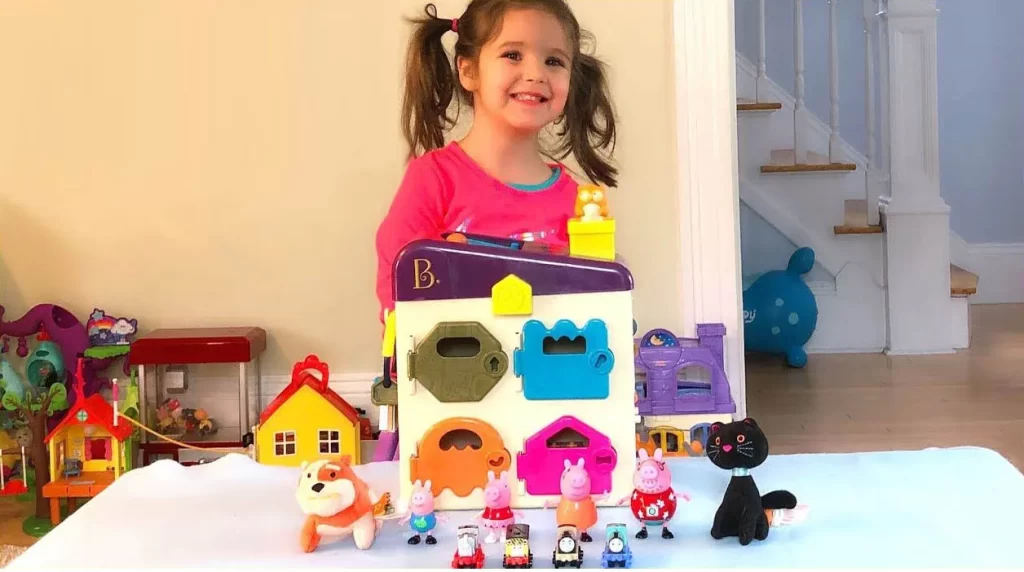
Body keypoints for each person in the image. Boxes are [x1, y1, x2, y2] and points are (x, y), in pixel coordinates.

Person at [375, 0, 618, 320]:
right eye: (513, 55)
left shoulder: (578, 203)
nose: (536, 74)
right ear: (468, 70)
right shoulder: (432, 179)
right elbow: (398, 292)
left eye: (554, 61)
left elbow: (593, 306)